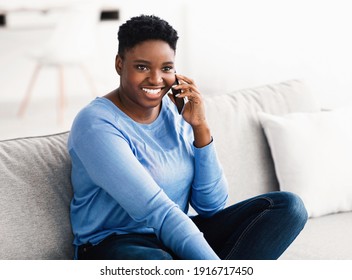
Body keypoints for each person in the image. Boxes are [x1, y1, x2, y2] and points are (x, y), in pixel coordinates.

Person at [68, 14, 308, 260]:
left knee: (288, 208)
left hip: (174, 234)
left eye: (166, 68)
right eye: (142, 67)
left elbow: (211, 206)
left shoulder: (176, 111)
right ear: (120, 64)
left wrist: (200, 127)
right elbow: (157, 211)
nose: (156, 79)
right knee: (159, 262)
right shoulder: (95, 124)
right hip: (115, 244)